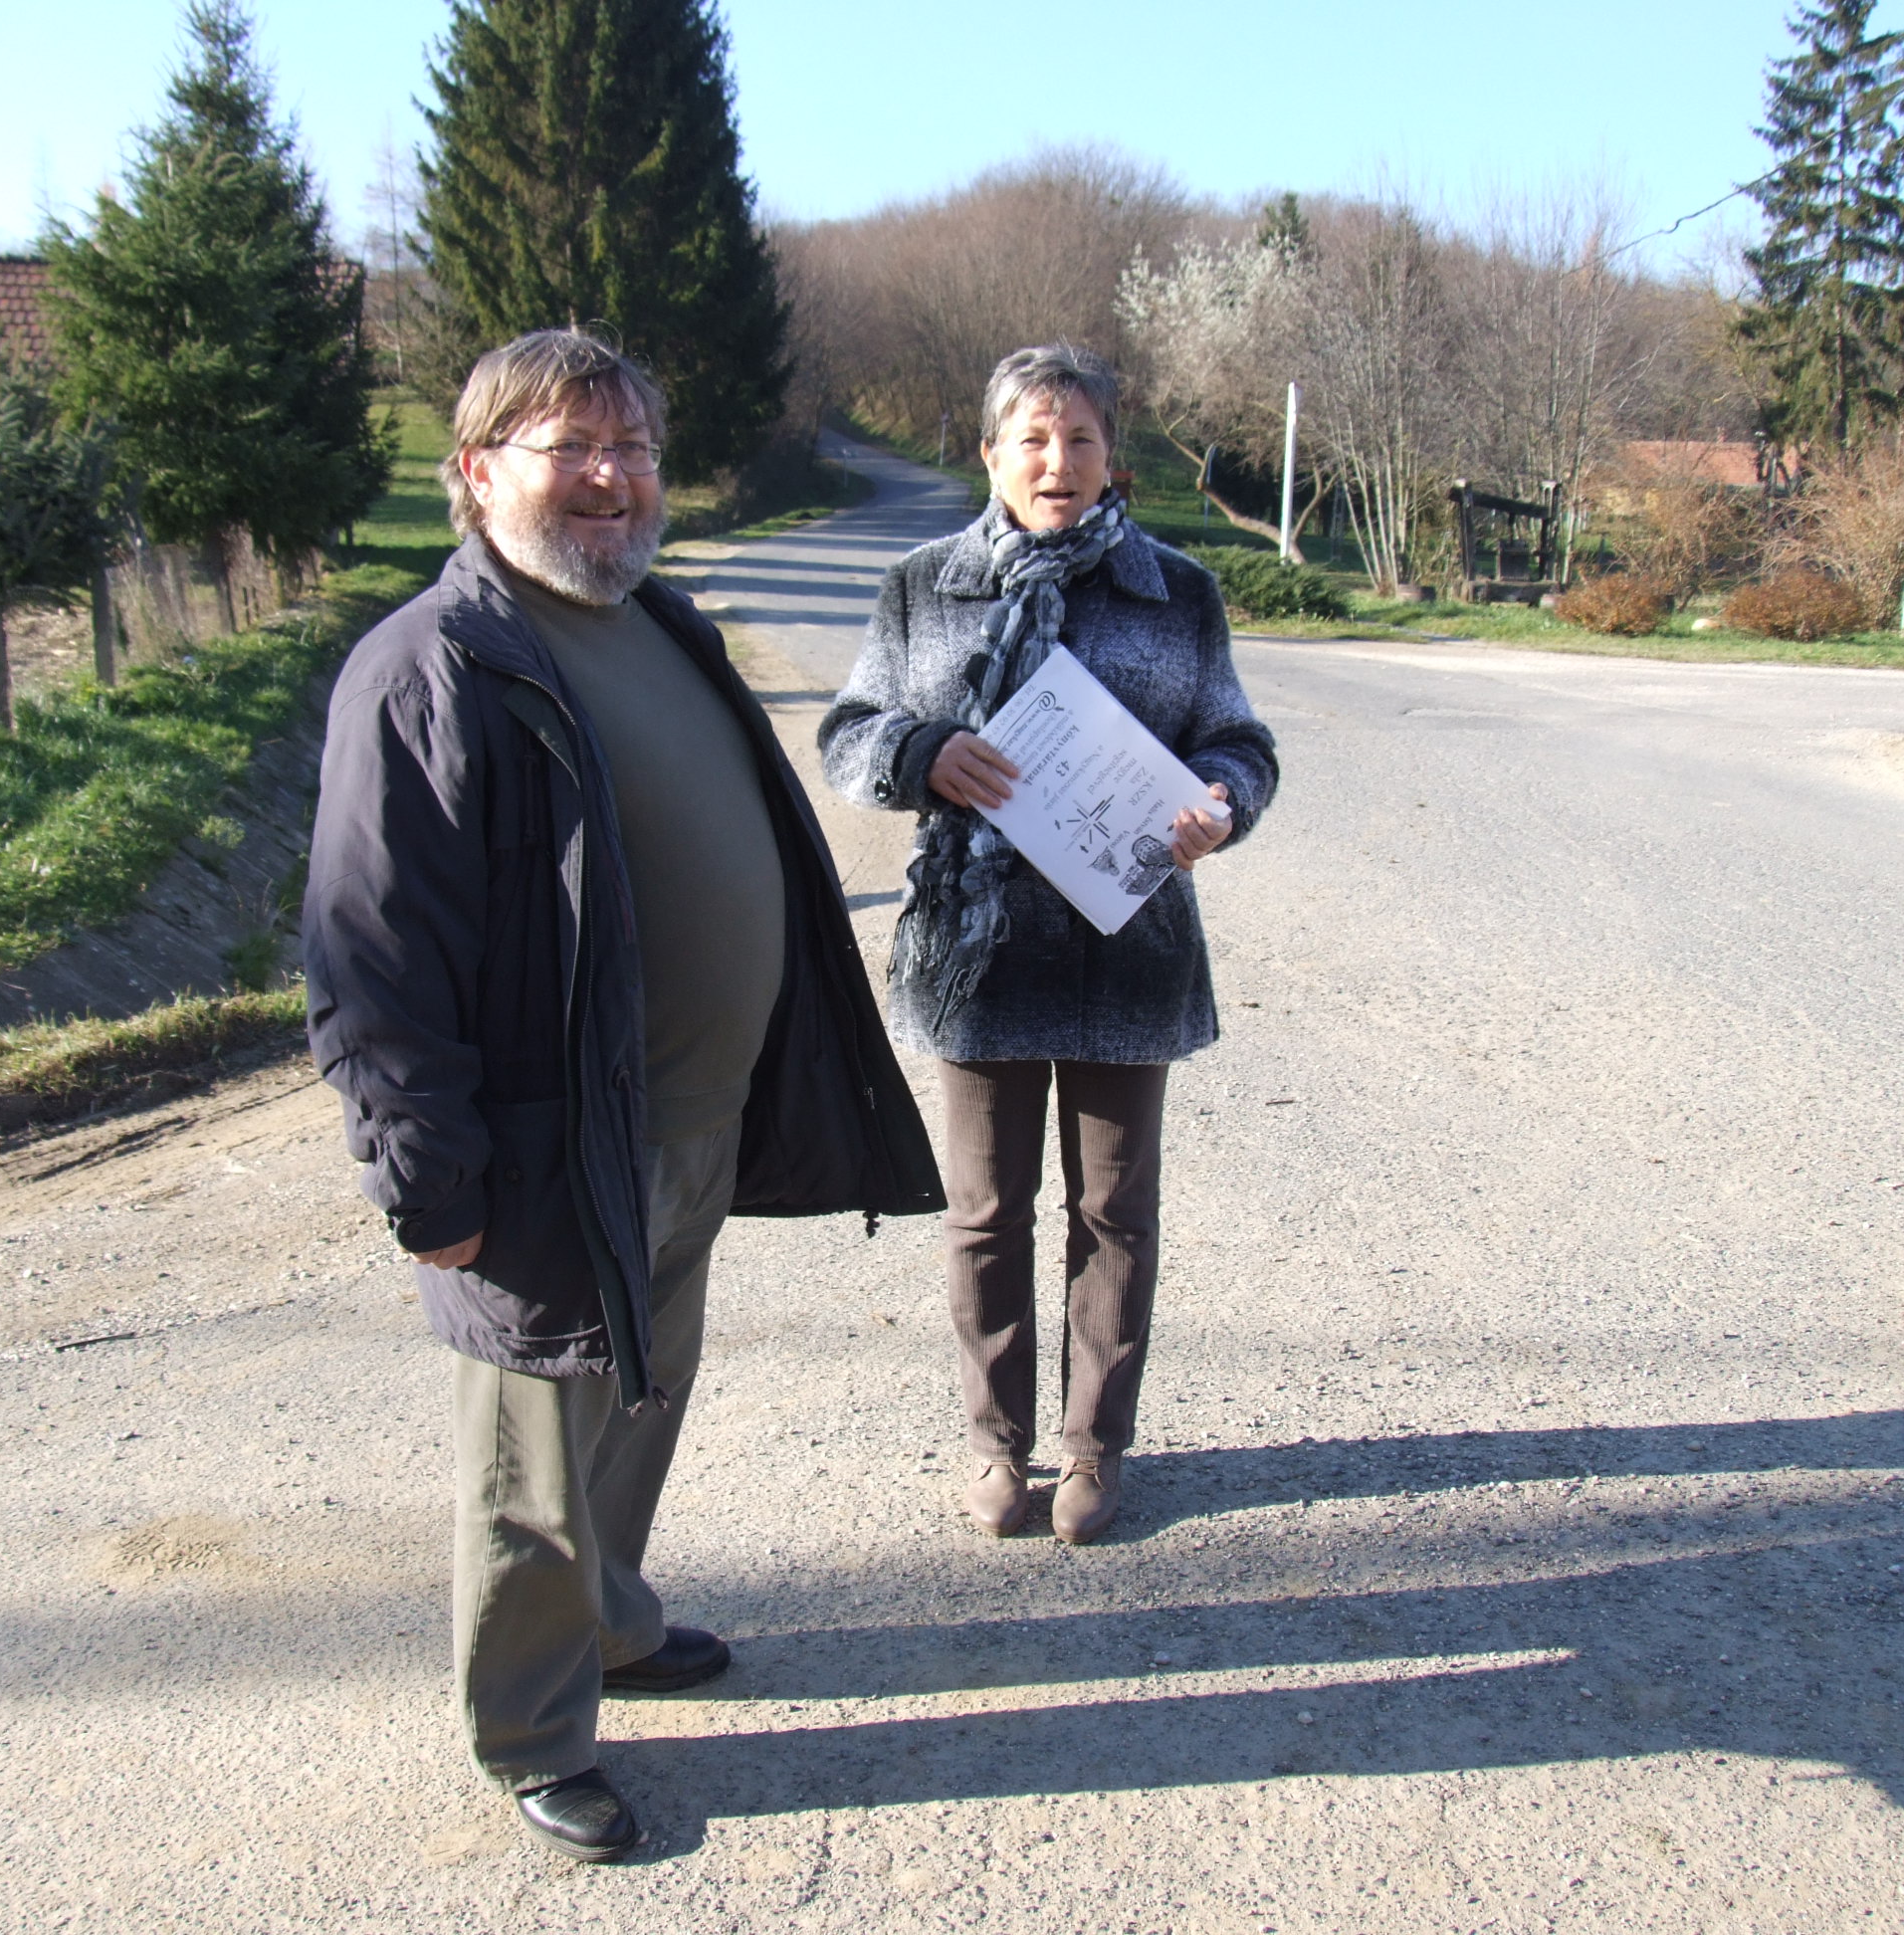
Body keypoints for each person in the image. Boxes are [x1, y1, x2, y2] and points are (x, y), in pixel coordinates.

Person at [304, 328, 941, 1862]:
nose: (611, 477)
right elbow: (373, 955)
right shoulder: (431, 667)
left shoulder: (652, 618)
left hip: (688, 1120)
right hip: (547, 1149)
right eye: (568, 448)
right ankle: (532, 1729)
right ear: (477, 473)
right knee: (535, 1455)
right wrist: (428, 1182)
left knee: (638, 1407)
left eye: (633, 449)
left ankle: (611, 1620)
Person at [820, 342, 1277, 1546]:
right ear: (990, 454)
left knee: (1115, 1211)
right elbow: (849, 731)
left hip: (1130, 944)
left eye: (1079, 439)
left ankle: (1093, 1447)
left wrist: (1219, 804)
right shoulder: (923, 587)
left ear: (1112, 458)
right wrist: (922, 754)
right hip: (979, 954)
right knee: (985, 1210)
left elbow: (1238, 742)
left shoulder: (1177, 593)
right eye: (1031, 438)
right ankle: (996, 1443)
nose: (1056, 461)